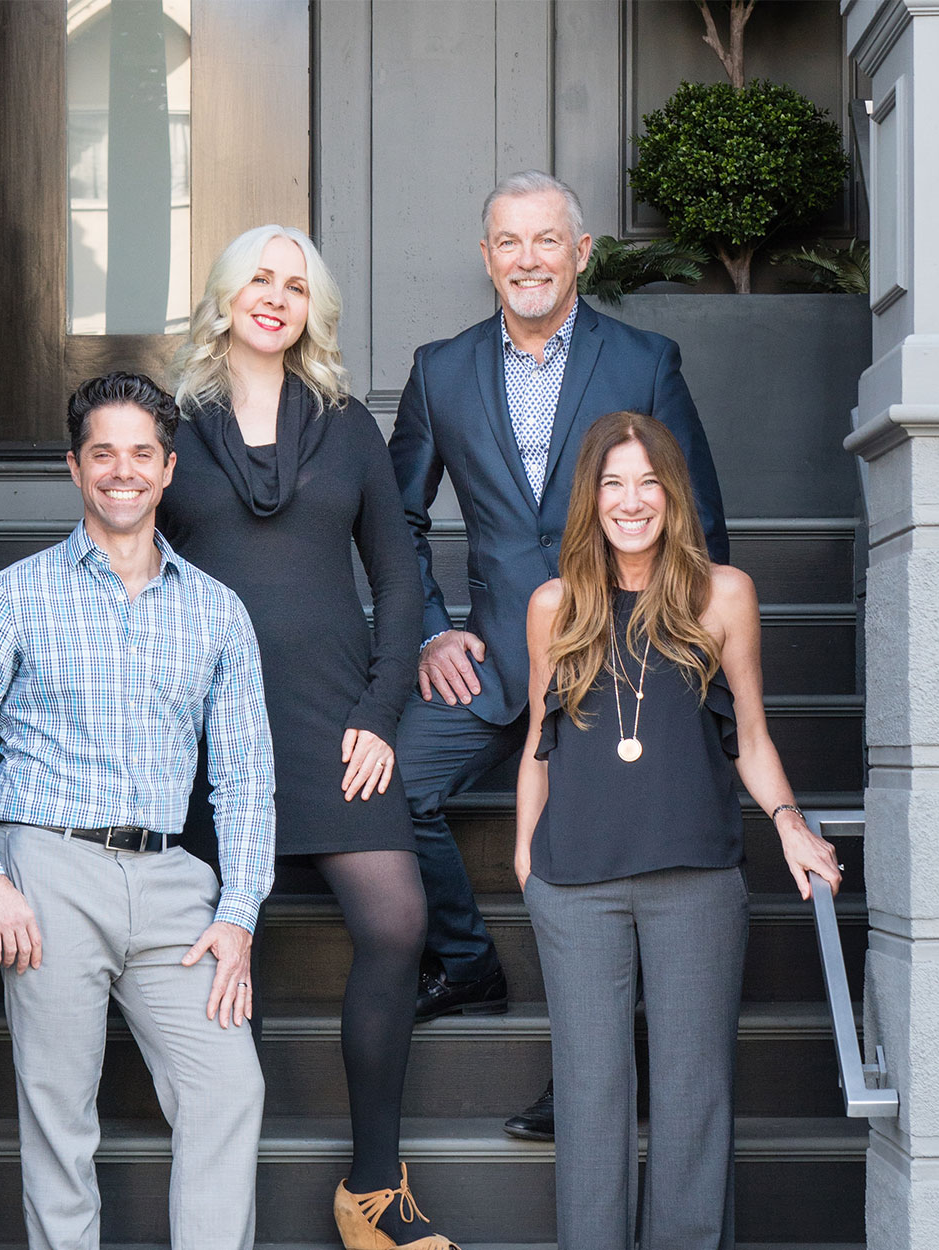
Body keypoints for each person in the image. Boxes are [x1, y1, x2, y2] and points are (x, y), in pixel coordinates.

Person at [388, 169, 729, 1139]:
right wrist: (430, 626)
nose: (527, 259)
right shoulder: (439, 368)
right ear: (485, 256)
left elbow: (699, 515)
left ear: (580, 253)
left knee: (605, 851)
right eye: (508, 241)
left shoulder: (643, 358)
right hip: (492, 659)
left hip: (626, 668)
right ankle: (464, 960)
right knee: (389, 788)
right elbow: (395, 519)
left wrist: (686, 667)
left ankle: (602, 1060)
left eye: (547, 240)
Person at [0, 372, 273, 1250]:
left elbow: (248, 774)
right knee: (60, 1115)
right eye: (102, 454)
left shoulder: (217, 612)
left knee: (230, 1088)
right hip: (49, 875)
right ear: (76, 469)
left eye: (140, 454)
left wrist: (239, 913)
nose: (123, 471)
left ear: (168, 468)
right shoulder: (16, 594)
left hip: (173, 888)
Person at [158, 225, 456, 1250]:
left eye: (293, 284)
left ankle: (373, 1187)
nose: (274, 297)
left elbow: (400, 582)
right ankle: (212, 1194)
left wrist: (378, 716)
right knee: (200, 947)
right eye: (257, 280)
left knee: (394, 919)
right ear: (224, 296)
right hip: (203, 735)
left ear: (310, 309)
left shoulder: (346, 426)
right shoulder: (172, 424)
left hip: (336, 725)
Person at [514, 411, 842, 1249]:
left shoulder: (723, 594)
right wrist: (526, 859)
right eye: (613, 484)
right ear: (592, 498)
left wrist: (790, 825)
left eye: (648, 483)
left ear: (673, 494)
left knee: (694, 1096)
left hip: (695, 879)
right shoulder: (554, 605)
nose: (632, 501)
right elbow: (537, 746)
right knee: (590, 1099)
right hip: (575, 884)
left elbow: (753, 736)